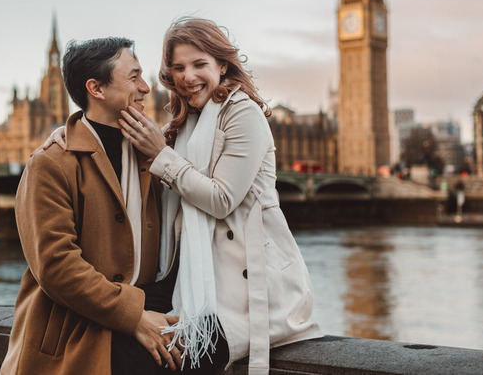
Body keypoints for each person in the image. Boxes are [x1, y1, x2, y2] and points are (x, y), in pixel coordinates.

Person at [45, 18, 322, 375]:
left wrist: (161, 155)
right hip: (189, 281)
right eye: (178, 68)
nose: (188, 76)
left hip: (243, 290)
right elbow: (110, 128)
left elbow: (222, 198)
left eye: (199, 65)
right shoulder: (185, 121)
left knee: (132, 357)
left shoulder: (242, 114)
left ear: (222, 65)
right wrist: (71, 130)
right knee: (100, 341)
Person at [0, 37, 183, 375]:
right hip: (75, 331)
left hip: (149, 308)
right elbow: (57, 266)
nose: (145, 87)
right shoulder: (51, 163)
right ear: (96, 88)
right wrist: (134, 318)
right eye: (134, 77)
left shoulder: (154, 153)